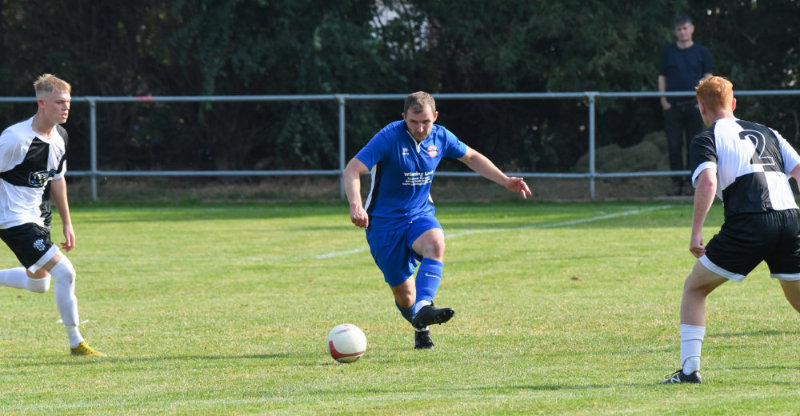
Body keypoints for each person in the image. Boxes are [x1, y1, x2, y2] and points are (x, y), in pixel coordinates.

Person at [343, 91, 531, 349]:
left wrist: (505, 180)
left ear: (435, 117)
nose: (420, 128)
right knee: (405, 296)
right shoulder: (389, 137)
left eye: (426, 122)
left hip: (419, 215)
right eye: (413, 122)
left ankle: (425, 306)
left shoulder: (441, 136)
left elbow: (471, 157)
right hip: (383, 225)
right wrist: (356, 205)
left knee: (436, 243)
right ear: (404, 117)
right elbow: (352, 169)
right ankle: (420, 324)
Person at [661, 76, 800, 384]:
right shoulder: (768, 131)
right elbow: (799, 170)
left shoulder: (706, 138)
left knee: (695, 288)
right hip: (790, 218)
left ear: (701, 108)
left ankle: (689, 371)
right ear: (733, 103)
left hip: (750, 220)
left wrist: (696, 232)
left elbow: (708, 181)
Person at [0, 74, 105, 357]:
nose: (66, 107)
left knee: (39, 283)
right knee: (65, 272)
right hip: (12, 219)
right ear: (41, 103)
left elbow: (57, 179)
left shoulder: (60, 137)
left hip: (39, 216)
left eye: (68, 102)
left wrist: (67, 222)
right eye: (59, 102)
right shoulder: (15, 139)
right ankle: (76, 342)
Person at [658, 13, 713, 196]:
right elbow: (662, 76)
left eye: (685, 28)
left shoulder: (702, 51)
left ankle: (692, 183)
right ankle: (676, 183)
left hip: (695, 106)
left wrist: (702, 101)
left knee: (694, 145)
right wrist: (663, 100)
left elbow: (708, 77)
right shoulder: (668, 52)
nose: (682, 32)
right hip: (673, 106)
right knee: (674, 145)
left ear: (692, 29)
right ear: (675, 32)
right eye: (679, 29)